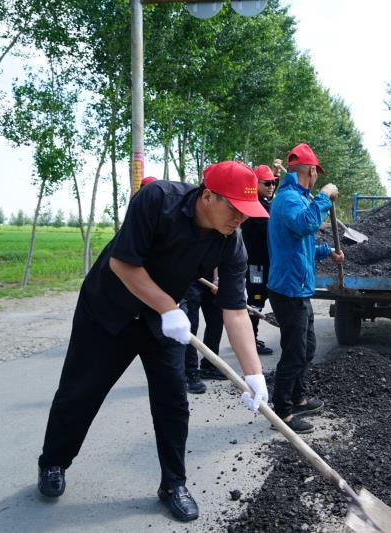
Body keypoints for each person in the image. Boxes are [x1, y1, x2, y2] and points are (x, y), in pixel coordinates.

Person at [37, 161, 270, 522]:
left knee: (173, 401)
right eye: (236, 209)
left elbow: (236, 311)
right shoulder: (156, 199)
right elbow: (123, 263)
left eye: (247, 212)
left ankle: (173, 484)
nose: (240, 219)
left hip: (161, 322)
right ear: (208, 196)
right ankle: (53, 462)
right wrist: (168, 307)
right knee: (81, 391)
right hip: (108, 311)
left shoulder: (231, 242)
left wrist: (254, 375)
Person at [267, 143, 343, 434]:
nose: (317, 179)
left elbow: (302, 244)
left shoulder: (297, 197)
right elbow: (304, 226)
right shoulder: (288, 199)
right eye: (316, 173)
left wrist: (327, 252)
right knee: (295, 351)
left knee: (307, 347)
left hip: (298, 287)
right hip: (288, 288)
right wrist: (323, 199)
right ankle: (282, 414)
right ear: (311, 170)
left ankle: (298, 397)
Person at [241, 164, 278, 355]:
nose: (272, 186)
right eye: (267, 183)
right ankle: (250, 342)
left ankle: (250, 339)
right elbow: (271, 230)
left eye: (274, 182)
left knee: (258, 300)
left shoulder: (263, 202)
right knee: (256, 301)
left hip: (264, 262)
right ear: (255, 184)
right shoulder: (255, 207)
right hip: (256, 265)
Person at [182, 272, 226, 394]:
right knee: (190, 326)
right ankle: (189, 372)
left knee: (216, 320)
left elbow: (218, 253)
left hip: (210, 278)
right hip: (189, 278)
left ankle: (209, 365)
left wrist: (216, 278)